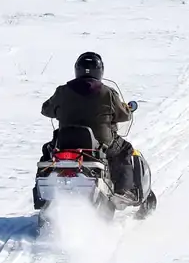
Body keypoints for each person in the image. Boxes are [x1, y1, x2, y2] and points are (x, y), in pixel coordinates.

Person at [41, 52, 138, 197]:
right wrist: (128, 109)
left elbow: (46, 110)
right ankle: (123, 191)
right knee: (125, 150)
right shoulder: (107, 93)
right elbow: (123, 115)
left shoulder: (62, 91)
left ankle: (44, 190)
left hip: (65, 143)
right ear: (100, 71)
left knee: (47, 151)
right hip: (100, 144)